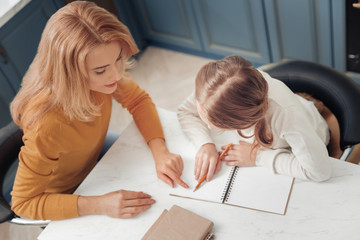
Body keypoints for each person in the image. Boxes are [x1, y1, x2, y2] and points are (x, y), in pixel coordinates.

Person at [10, 1, 188, 221]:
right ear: (71, 75)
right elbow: (22, 203)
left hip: (91, 155)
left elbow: (139, 100)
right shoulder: (47, 125)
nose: (115, 75)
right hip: (65, 192)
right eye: (101, 70)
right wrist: (100, 204)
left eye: (118, 59)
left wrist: (160, 151)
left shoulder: (104, 76)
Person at [177, 55, 336, 183]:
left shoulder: (288, 118)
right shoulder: (216, 88)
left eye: (212, 123)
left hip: (306, 143)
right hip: (270, 137)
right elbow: (185, 111)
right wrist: (205, 143)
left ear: (241, 123)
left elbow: (319, 172)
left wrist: (258, 157)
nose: (209, 128)